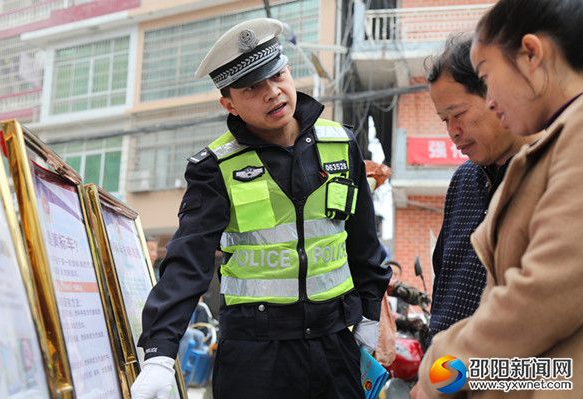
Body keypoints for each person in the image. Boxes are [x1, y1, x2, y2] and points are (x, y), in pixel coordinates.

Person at [131, 18, 391, 399]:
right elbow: (189, 260)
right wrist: (159, 352)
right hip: (255, 356)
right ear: (229, 104)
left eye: (277, 75)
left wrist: (369, 313)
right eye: (252, 87)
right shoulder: (214, 166)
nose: (273, 93)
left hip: (334, 344)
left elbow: (364, 241)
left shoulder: (340, 143)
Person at [417, 0, 583, 397]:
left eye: (488, 79)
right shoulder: (537, 156)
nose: (491, 100)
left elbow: (542, 301)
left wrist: (443, 374)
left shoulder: (571, 141)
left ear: (531, 55)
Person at [410, 33, 537, 398]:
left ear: (496, 95)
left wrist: (443, 379)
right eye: (443, 120)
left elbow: (545, 343)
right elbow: (446, 294)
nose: (453, 132)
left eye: (458, 114)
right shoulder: (464, 180)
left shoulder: (550, 178)